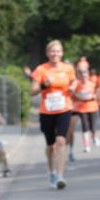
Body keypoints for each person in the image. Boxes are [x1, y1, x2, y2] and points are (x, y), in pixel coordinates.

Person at [28, 40, 76, 189]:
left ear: (62, 53)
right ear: (48, 53)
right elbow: (32, 91)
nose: (55, 54)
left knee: (61, 141)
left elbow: (74, 82)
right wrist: (44, 85)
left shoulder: (68, 68)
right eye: (52, 51)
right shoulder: (41, 69)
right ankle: (51, 172)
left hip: (64, 108)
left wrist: (73, 87)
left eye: (58, 51)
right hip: (47, 111)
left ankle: (60, 176)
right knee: (50, 145)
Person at [69, 62, 99, 156]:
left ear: (88, 74)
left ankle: (94, 136)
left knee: (92, 127)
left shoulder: (92, 83)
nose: (83, 76)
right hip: (81, 108)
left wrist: (94, 96)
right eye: (81, 74)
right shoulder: (77, 84)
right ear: (79, 75)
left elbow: (98, 94)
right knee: (85, 126)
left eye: (85, 74)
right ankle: (86, 145)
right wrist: (76, 94)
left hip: (92, 107)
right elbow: (71, 93)